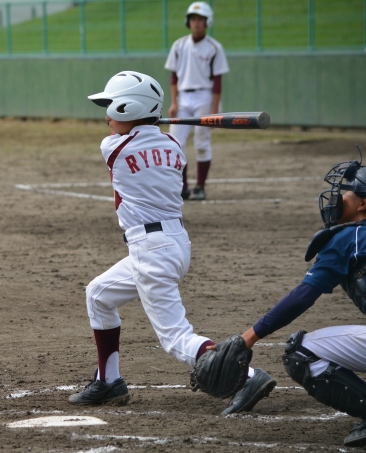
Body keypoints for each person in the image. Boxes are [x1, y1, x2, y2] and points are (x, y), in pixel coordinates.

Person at [68, 71, 275, 415]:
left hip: (150, 248)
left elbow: (128, 141)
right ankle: (109, 381)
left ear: (128, 108)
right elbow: (159, 158)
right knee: (99, 294)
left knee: (176, 338)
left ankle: (249, 377)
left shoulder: (113, 147)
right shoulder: (174, 144)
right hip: (174, 244)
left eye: (111, 108)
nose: (106, 117)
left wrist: (139, 129)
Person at [228, 154, 366, 446]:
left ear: (362, 204)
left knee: (300, 352)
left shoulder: (348, 239)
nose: (336, 198)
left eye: (345, 192)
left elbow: (302, 297)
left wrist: (249, 337)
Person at [164, 1, 229, 201]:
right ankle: (182, 187)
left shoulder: (214, 48)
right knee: (176, 143)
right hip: (183, 97)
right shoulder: (179, 45)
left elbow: (217, 81)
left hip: (204, 96)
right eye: (193, 19)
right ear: (188, 21)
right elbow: (173, 77)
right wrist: (173, 102)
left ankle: (200, 187)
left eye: (201, 19)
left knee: (201, 142)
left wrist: (215, 109)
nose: (197, 22)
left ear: (208, 22)